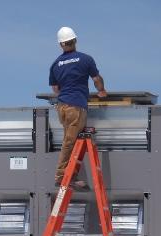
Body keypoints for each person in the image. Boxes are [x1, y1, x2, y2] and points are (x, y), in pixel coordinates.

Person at [49, 26, 107, 190]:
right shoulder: (85, 59)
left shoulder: (55, 64)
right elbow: (96, 79)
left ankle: (70, 176)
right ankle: (62, 177)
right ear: (75, 40)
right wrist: (101, 91)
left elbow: (55, 89)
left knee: (70, 140)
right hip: (76, 107)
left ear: (61, 45)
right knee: (69, 142)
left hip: (62, 107)